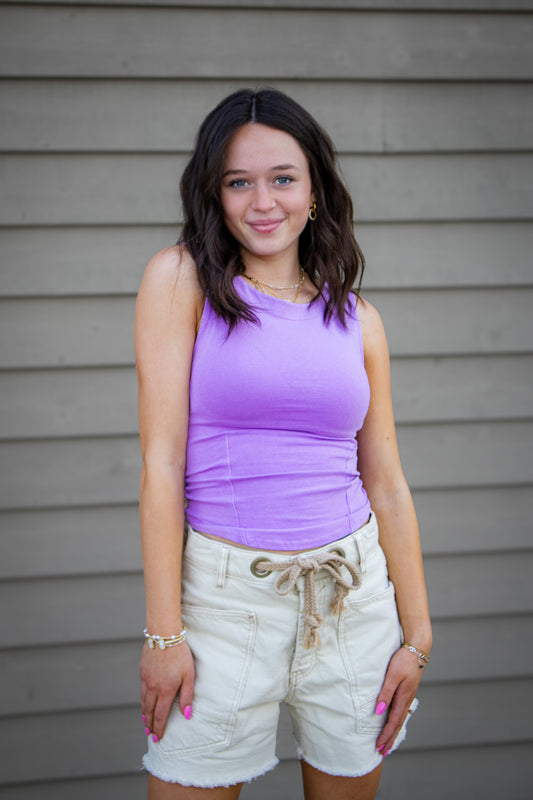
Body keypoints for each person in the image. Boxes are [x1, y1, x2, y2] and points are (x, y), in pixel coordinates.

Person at [135, 88, 432, 800]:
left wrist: (416, 633)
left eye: (282, 178)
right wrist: (163, 635)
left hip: (353, 598)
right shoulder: (181, 280)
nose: (262, 201)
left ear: (314, 190)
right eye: (238, 181)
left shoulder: (359, 319)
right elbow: (161, 463)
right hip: (224, 607)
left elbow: (385, 480)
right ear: (214, 193)